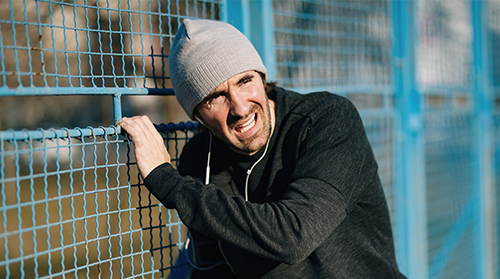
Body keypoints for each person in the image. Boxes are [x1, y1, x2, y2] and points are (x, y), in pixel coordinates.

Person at [121, 19, 406, 279]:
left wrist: (170, 184)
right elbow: (212, 269)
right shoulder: (199, 161)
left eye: (245, 81)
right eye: (216, 98)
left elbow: (294, 237)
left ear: (261, 77)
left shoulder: (326, 120)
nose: (240, 108)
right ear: (196, 115)